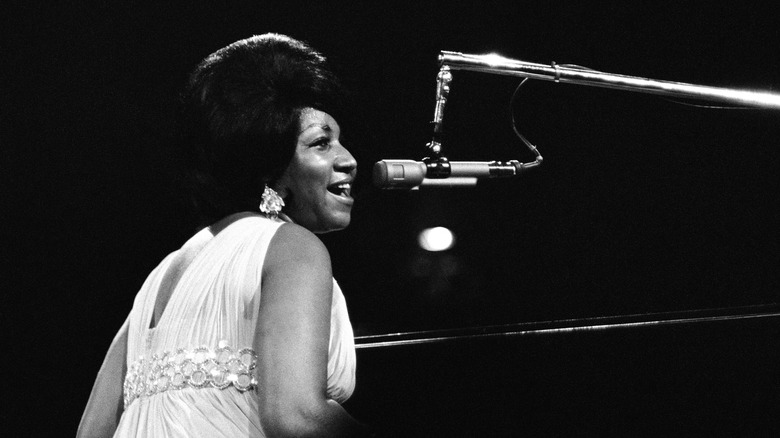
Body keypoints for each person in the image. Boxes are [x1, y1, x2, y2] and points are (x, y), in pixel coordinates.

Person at [78, 33, 373, 437]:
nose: (349, 160)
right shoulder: (290, 247)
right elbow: (297, 418)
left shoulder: (163, 273)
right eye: (321, 144)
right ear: (271, 167)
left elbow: (91, 431)